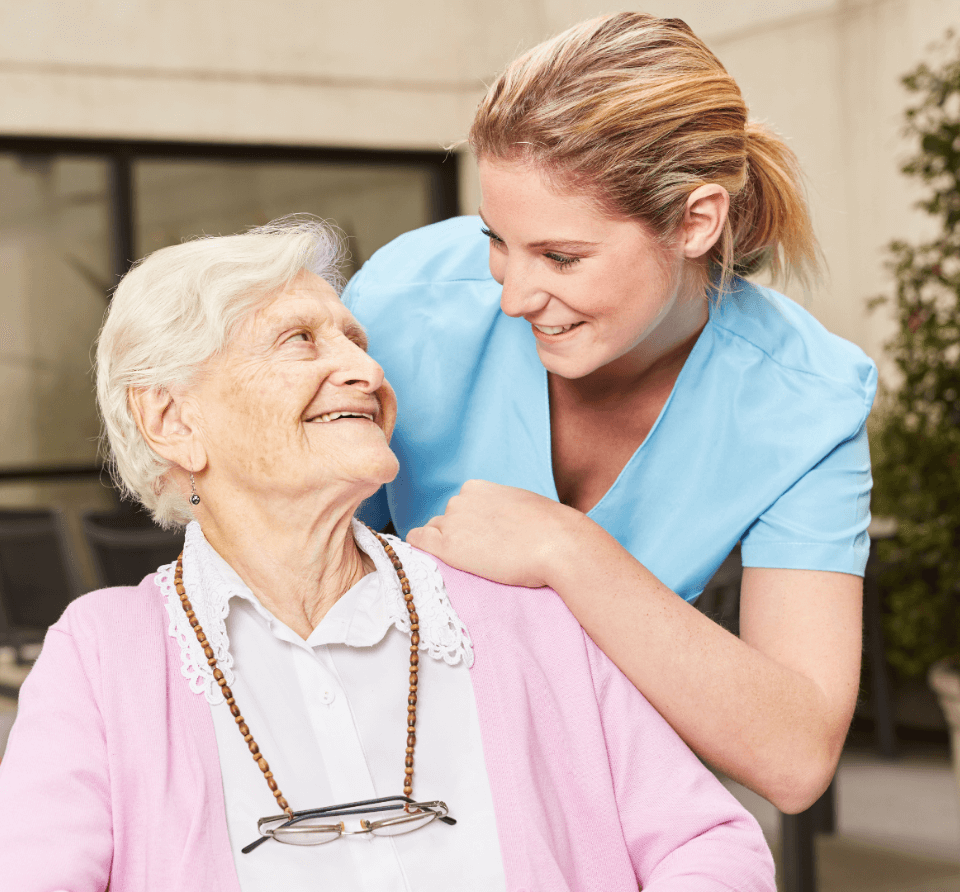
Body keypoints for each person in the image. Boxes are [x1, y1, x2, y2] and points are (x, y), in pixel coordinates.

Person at [0, 220, 774, 892]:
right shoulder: (103, 656)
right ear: (171, 418)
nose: (366, 372)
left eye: (357, 341)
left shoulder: (520, 612)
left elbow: (710, 844)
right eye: (300, 340)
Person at [343, 12, 876, 814]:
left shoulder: (809, 402)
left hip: (593, 789)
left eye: (562, 257)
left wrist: (567, 549)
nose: (515, 296)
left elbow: (796, 754)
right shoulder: (405, 302)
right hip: (374, 768)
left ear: (697, 221)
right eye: (497, 239)